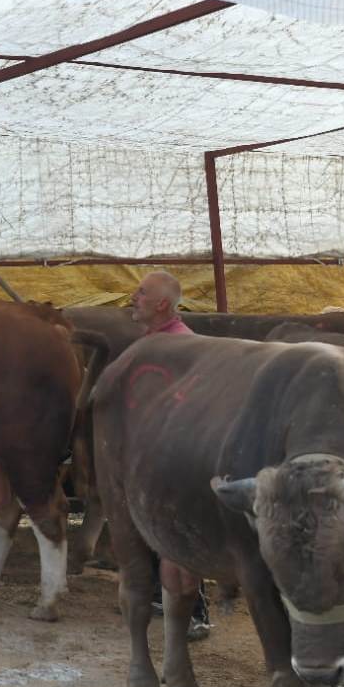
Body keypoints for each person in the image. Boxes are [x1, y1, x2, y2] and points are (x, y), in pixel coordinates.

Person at [129, 270, 214, 641]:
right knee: (154, 528)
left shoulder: (185, 346)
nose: (134, 297)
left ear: (162, 303)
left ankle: (196, 612)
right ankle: (161, 597)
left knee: (178, 536)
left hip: (178, 455)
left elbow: (195, 404)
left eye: (142, 292)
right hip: (151, 453)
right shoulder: (150, 342)